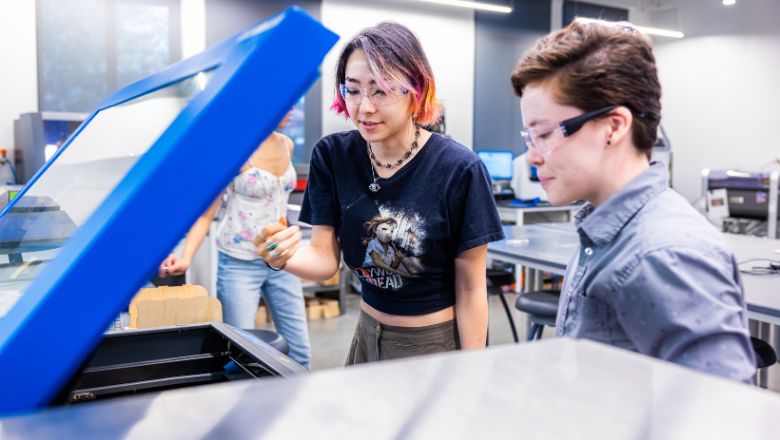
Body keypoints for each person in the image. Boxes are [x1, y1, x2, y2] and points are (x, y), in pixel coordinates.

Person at [510, 19, 755, 382]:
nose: (532, 156)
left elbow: (725, 419)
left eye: (544, 134)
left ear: (614, 126)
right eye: (529, 137)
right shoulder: (604, 227)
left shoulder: (664, 256)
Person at [257, 22, 504, 365]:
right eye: (353, 90)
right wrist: (280, 256)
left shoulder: (459, 169)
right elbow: (326, 259)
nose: (364, 107)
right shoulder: (332, 156)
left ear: (415, 90)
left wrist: (471, 368)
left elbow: (472, 287)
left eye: (381, 90)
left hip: (431, 345)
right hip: (367, 333)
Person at [159, 110, 311, 369]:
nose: (291, 111)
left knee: (300, 351)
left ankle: (301, 406)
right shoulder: (235, 150)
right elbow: (206, 215)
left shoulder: (286, 144)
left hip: (282, 260)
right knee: (242, 353)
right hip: (239, 264)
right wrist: (186, 256)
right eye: (285, 104)